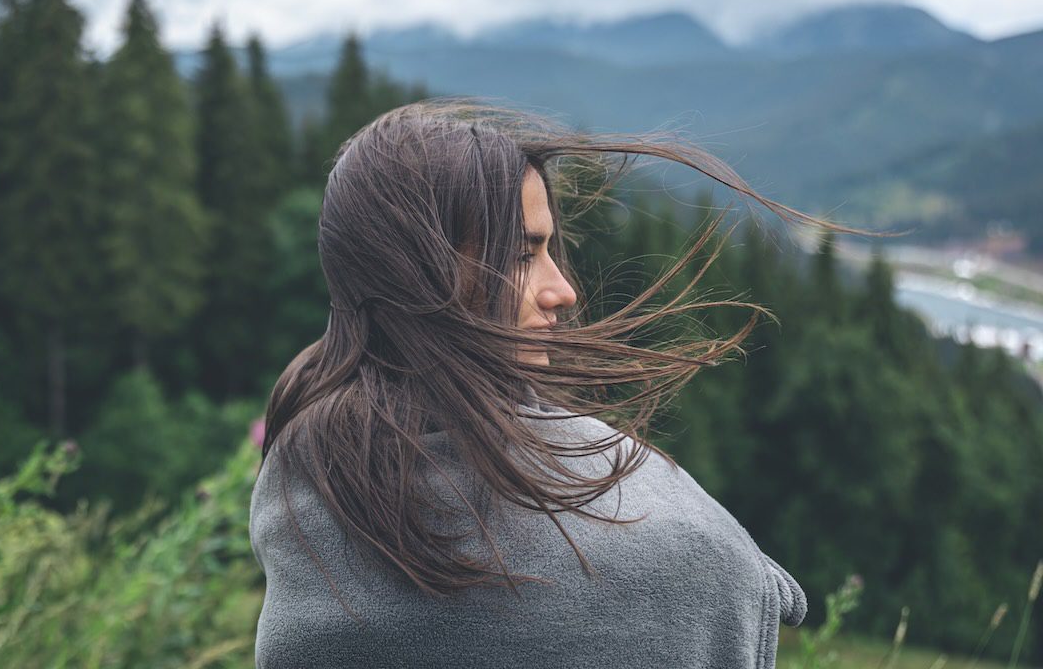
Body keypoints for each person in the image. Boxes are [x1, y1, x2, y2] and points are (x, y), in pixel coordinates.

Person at [249, 98, 838, 668]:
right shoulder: (667, 530)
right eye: (522, 253)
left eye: (550, 249)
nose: (563, 292)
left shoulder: (300, 470)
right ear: (421, 271)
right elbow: (702, 563)